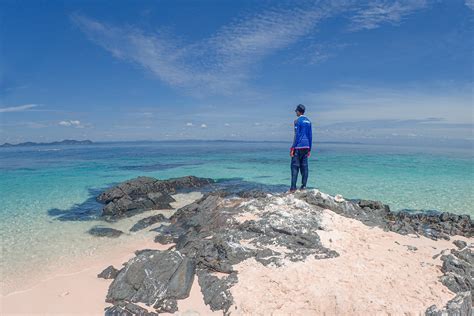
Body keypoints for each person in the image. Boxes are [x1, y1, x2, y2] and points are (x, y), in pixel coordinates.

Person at [290, 104, 312, 192]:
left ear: (299, 111)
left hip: (298, 146)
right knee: (305, 167)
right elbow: (310, 135)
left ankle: (293, 188)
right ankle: (303, 187)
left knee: (294, 167)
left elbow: (297, 135)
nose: (296, 112)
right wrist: (310, 148)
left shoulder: (297, 121)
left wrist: (292, 147)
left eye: (296, 111)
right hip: (306, 146)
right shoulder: (309, 121)